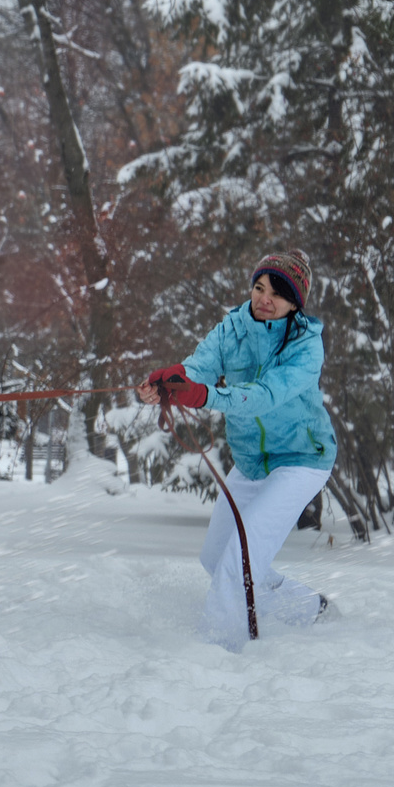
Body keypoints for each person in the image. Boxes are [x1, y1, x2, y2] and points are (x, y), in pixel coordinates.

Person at [137, 250, 335, 646]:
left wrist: (204, 396)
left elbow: (264, 396)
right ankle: (310, 608)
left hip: (302, 460)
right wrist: (170, 384)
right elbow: (198, 367)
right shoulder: (234, 328)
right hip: (250, 462)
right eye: (259, 287)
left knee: (240, 563)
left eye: (278, 293)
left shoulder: (306, 347)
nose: (265, 298)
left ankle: (218, 651)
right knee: (215, 559)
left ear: (296, 303)